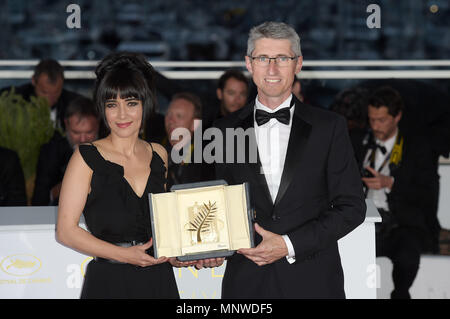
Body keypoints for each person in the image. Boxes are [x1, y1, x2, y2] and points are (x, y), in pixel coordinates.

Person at [213, 21, 366, 298]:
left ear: (298, 64)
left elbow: (352, 207)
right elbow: (214, 205)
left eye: (282, 58)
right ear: (249, 64)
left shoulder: (330, 127)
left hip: (314, 281)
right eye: (263, 58)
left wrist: (288, 244)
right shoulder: (223, 131)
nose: (272, 69)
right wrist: (207, 248)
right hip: (246, 285)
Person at [56, 52, 201, 299]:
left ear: (146, 105)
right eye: (112, 105)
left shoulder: (159, 155)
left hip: (158, 278)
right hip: (109, 281)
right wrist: (126, 255)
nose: (122, 115)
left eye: (131, 103)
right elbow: (66, 231)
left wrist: (181, 253)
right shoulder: (85, 157)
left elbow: (161, 224)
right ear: (103, 109)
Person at [352, 86, 437, 299]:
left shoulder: (417, 147)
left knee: (407, 258)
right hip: (363, 223)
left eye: (382, 120)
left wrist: (390, 183)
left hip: (402, 224)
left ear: (397, 117)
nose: (375, 126)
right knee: (346, 257)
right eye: (372, 120)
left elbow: (427, 193)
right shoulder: (358, 142)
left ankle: (400, 295)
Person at [32, 96, 100, 206]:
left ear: (98, 124)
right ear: (66, 124)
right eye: (76, 133)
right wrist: (62, 187)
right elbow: (39, 200)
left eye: (89, 132)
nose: (82, 139)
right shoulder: (51, 151)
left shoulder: (111, 150)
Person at [0, 59, 81, 130]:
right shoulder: (11, 99)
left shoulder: (75, 104)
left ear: (62, 84)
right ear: (33, 81)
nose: (50, 98)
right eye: (45, 92)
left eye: (56, 93)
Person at [163, 92, 214, 190]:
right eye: (168, 115)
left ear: (195, 124)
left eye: (179, 116)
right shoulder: (155, 154)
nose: (171, 120)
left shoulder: (209, 161)